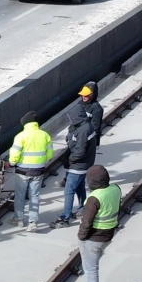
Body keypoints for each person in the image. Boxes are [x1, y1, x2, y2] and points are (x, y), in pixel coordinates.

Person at [57, 82, 103, 226]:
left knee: (69, 190)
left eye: (87, 95)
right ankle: (82, 208)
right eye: (83, 95)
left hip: (78, 164)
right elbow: (75, 125)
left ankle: (65, 217)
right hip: (82, 161)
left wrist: (70, 159)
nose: (84, 97)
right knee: (80, 186)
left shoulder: (94, 112)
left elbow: (80, 149)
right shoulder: (80, 117)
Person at [74, 164, 120, 282]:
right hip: (108, 233)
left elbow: (86, 222)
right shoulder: (115, 188)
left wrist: (81, 237)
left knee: (90, 269)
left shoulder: (94, 198)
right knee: (91, 266)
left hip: (94, 237)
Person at [6, 110, 54, 230]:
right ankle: (33, 223)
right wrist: (39, 162)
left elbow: (14, 155)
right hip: (38, 171)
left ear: (25, 123)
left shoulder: (20, 136)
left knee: (20, 196)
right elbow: (50, 155)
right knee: (35, 196)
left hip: (22, 171)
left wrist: (11, 164)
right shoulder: (45, 135)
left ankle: (18, 219)